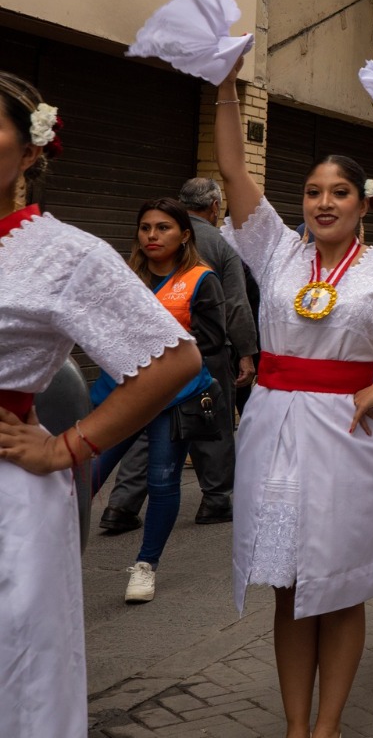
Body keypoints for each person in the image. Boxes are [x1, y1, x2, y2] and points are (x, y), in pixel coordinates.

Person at [212, 57, 373, 738]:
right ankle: (296, 725)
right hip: (273, 427)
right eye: (313, 191)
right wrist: (222, 86)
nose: (323, 202)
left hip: (351, 433)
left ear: (364, 203)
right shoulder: (276, 253)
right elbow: (236, 171)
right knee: (290, 583)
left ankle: (328, 725)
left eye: (339, 192)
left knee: (340, 581)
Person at [0, 71, 201, 738]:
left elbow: (175, 357)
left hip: (8, 495)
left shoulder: (65, 253)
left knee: (17, 680)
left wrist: (67, 445)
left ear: (31, 151)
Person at [88, 198, 228, 604]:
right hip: (122, 394)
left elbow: (212, 342)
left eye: (163, 227)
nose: (152, 235)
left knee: (163, 480)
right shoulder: (125, 276)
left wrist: (154, 348)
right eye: (146, 227)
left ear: (184, 235)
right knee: (85, 478)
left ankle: (146, 566)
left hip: (173, 397)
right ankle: (53, 555)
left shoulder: (202, 279)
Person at [101, 176, 257, 533]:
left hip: (149, 363)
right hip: (201, 358)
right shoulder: (220, 245)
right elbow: (235, 305)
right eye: (147, 228)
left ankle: (121, 505)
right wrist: (246, 353)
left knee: (146, 426)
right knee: (209, 424)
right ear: (215, 207)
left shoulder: (145, 253)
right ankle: (215, 499)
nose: (153, 235)